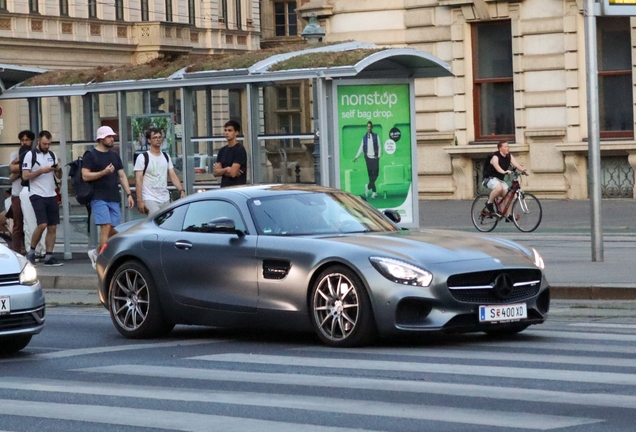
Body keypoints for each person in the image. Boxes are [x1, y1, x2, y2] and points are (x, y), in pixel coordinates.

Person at [82, 126, 134, 269]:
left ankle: (97, 252)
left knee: (113, 230)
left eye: (112, 136)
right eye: (109, 137)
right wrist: (103, 172)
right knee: (105, 227)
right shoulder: (91, 155)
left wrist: (129, 194)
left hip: (114, 197)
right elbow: (85, 175)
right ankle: (102, 260)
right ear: (100, 138)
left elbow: (122, 175)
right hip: (98, 197)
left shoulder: (114, 155)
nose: (112, 139)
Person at [21, 130, 63, 266]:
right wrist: (41, 171)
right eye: (45, 144)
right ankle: (32, 251)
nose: (47, 146)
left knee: (52, 226)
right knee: (42, 224)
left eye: (49, 144)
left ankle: (49, 255)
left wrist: (58, 169)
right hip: (36, 193)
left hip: (50, 193)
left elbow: (59, 176)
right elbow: (25, 176)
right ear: (38, 141)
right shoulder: (30, 155)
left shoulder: (52, 155)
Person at [134, 127, 186, 215]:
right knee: (155, 222)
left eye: (160, 137)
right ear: (149, 140)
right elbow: (138, 180)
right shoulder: (143, 157)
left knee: (166, 224)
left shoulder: (166, 156)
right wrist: (139, 200)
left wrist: (181, 190)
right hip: (149, 197)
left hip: (164, 197)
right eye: (155, 137)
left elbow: (172, 175)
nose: (158, 139)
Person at [7, 130, 35, 254]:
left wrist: (19, 169)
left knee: (30, 223)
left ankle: (31, 249)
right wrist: (25, 169)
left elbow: (15, 171)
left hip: (32, 192)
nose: (24, 142)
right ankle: (16, 250)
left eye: (27, 140)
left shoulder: (35, 153)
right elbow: (12, 172)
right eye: (22, 140)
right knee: (18, 224)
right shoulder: (15, 154)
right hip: (17, 193)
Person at [482, 140, 526, 219]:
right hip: (489, 179)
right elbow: (497, 167)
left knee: (508, 195)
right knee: (499, 188)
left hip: (499, 180)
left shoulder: (509, 156)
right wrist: (504, 172)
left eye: (508, 146)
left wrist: (523, 170)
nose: (507, 148)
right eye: (505, 146)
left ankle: (508, 215)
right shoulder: (495, 157)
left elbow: (516, 164)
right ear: (500, 149)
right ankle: (489, 203)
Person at [213, 120, 247, 187]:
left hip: (237, 189)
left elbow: (232, 173)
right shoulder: (222, 150)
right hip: (224, 188)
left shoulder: (239, 149)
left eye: (230, 130)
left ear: (236, 133)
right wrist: (226, 169)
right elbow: (215, 173)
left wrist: (221, 171)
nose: (226, 133)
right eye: (225, 130)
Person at [353, 121, 381, 199]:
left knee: (376, 174)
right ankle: (374, 192)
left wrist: (378, 156)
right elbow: (361, 148)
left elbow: (379, 146)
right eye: (368, 126)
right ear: (367, 127)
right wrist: (356, 157)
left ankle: (368, 187)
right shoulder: (364, 138)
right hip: (368, 158)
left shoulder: (376, 136)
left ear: (372, 127)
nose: (369, 128)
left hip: (375, 158)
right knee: (370, 176)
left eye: (370, 126)